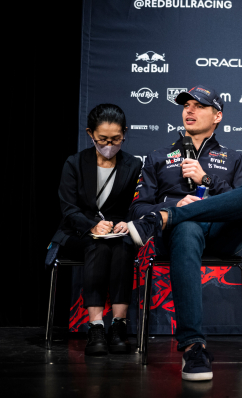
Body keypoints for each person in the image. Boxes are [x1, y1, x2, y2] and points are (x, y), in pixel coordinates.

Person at [126, 85, 242, 381]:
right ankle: (194, 346)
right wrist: (174, 204)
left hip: (221, 235)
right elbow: (137, 209)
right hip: (178, 237)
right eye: (186, 105)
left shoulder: (233, 158)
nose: (190, 110)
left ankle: (170, 217)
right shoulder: (158, 157)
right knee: (187, 227)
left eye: (200, 105)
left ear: (217, 116)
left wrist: (207, 180)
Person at [51, 104, 141, 355]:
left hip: (116, 232)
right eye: (103, 139)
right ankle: (96, 326)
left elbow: (136, 205)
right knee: (98, 246)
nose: (109, 145)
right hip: (78, 232)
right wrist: (92, 225)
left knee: (123, 246)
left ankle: (119, 325)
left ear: (124, 133)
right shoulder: (75, 163)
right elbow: (68, 209)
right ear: (90, 134)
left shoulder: (133, 165)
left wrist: (126, 223)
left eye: (116, 139)